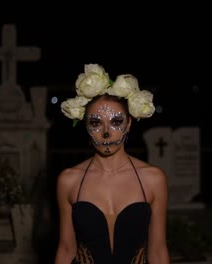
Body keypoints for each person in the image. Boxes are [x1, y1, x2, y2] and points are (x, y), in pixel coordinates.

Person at [55, 64, 170, 264]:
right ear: (85, 125)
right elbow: (66, 249)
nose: (106, 132)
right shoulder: (69, 180)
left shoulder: (153, 179)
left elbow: (158, 251)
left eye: (116, 122)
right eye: (96, 122)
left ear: (129, 123)